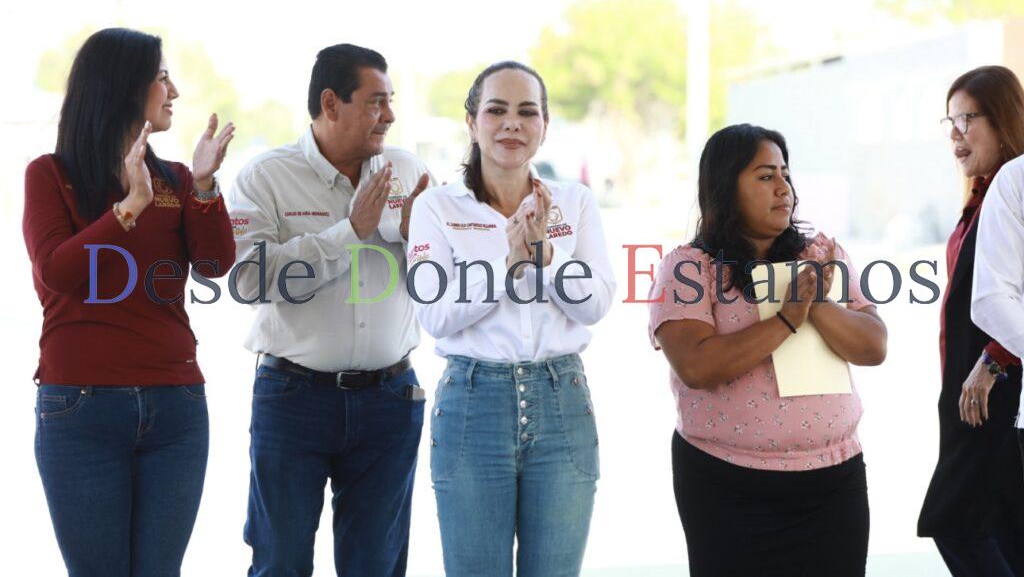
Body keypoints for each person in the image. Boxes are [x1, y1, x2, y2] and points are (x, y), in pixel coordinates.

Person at [23, 27, 236, 576]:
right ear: (123, 86)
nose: (175, 90)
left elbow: (214, 265)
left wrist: (207, 186)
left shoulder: (177, 179)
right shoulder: (51, 175)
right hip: (80, 408)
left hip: (176, 410)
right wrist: (128, 208)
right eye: (162, 76)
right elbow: (57, 272)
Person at [227, 43, 433, 577]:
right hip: (293, 401)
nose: (389, 116)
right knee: (280, 563)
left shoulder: (408, 171)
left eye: (390, 102)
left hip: (391, 401)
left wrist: (421, 242)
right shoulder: (266, 176)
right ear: (330, 102)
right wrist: (350, 232)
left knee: (376, 567)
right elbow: (248, 281)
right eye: (375, 102)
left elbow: (440, 287)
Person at [648, 123, 887, 577]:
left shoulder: (821, 254)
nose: (784, 188)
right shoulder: (689, 267)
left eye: (785, 174)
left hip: (834, 482)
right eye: (764, 176)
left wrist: (815, 300)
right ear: (725, 187)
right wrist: (785, 318)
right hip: (728, 487)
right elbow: (696, 366)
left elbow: (874, 346)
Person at [407, 61, 616, 577]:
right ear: (472, 122)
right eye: (496, 110)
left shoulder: (575, 202)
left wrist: (544, 255)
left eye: (527, 112)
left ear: (545, 125)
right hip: (474, 403)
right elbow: (434, 314)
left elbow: (595, 303)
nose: (511, 124)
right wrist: (510, 264)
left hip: (560, 397)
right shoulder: (436, 207)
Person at [940, 66, 1024, 576]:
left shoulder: (1011, 187)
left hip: (997, 388)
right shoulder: (982, 195)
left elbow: (1005, 297)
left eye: (966, 118)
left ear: (1003, 118)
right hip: (968, 389)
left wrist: (994, 358)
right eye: (948, 122)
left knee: (958, 522)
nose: (954, 133)